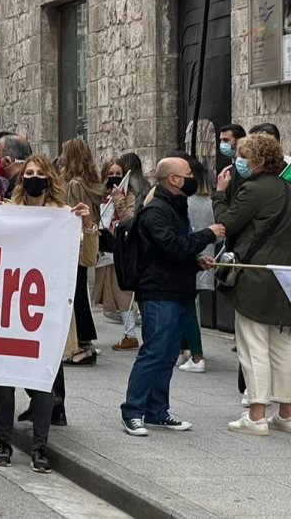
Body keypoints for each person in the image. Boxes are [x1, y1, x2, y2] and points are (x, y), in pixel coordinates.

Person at [0, 154, 97, 473]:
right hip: (10, 306)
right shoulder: (8, 212)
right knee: (5, 378)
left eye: (40, 173)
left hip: (46, 310)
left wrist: (88, 225)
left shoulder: (64, 215)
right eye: (28, 174)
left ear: (50, 179)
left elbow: (88, 260)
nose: (33, 178)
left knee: (42, 382)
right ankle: (4, 443)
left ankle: (39, 448)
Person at [120, 157, 224, 437]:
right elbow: (170, 246)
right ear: (174, 180)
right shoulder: (156, 211)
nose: (192, 177)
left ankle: (156, 411)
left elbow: (175, 249)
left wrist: (195, 260)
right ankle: (132, 410)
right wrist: (207, 235)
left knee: (167, 355)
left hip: (176, 289)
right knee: (154, 352)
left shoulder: (175, 207)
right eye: (188, 173)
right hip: (158, 292)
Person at [212, 134, 291, 435]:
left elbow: (226, 225)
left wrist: (220, 195)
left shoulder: (254, 189)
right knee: (282, 345)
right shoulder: (287, 187)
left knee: (253, 344)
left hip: (255, 275)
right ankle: (286, 413)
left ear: (256, 161)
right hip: (284, 276)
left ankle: (257, 415)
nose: (238, 162)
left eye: (243, 156)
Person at [60, 138, 103, 365]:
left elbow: (71, 213)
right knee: (79, 293)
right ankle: (84, 342)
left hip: (76, 243)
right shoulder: (91, 183)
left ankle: (82, 343)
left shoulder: (74, 185)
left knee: (74, 294)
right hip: (89, 239)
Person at [177, 158, 216, 374]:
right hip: (206, 259)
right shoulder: (210, 201)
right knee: (188, 305)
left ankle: (197, 355)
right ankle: (183, 350)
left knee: (187, 308)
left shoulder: (185, 202)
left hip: (192, 259)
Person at [97, 160, 140, 350]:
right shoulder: (99, 194)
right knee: (103, 290)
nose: (114, 176)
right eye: (110, 172)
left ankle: (130, 335)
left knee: (122, 293)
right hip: (103, 247)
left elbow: (129, 219)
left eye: (118, 173)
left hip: (120, 248)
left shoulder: (128, 196)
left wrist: (118, 200)